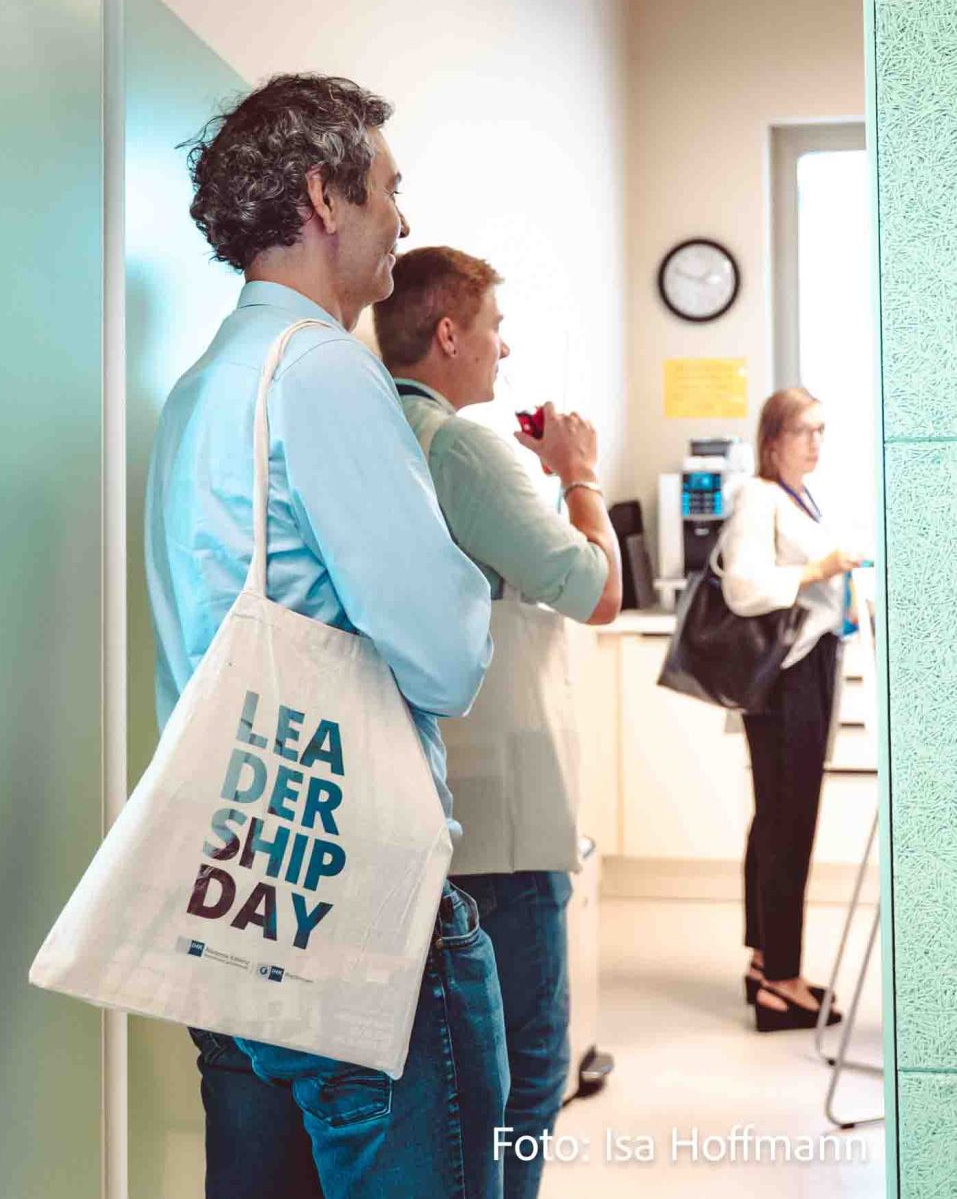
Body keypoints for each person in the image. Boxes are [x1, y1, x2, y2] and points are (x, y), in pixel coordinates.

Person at [143, 74, 507, 1199]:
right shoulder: (326, 372)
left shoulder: (202, 386)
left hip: (236, 894)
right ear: (322, 195)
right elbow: (444, 658)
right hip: (354, 910)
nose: (400, 217)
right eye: (388, 188)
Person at [373, 245, 621, 1199]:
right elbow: (598, 588)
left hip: (423, 794)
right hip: (504, 831)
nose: (503, 347)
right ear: (448, 334)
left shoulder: (377, 432)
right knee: (527, 1064)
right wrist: (577, 472)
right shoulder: (465, 449)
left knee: (443, 1076)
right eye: (493, 329)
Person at [717, 386, 863, 1033]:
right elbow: (743, 586)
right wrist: (819, 570)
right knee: (789, 824)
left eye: (822, 430)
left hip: (809, 667)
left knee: (775, 819)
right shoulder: (758, 495)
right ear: (772, 440)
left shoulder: (800, 497)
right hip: (787, 680)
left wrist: (841, 593)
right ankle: (782, 981)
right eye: (804, 430)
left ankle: (765, 962)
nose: (816, 442)